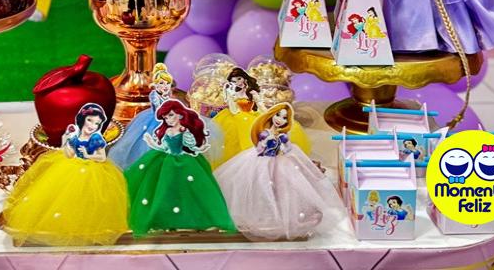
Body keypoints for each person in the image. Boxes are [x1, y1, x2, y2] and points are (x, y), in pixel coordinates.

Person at [0, 103, 129, 246]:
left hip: (93, 170)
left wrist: (87, 155)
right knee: (61, 193)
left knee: (89, 196)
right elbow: (68, 153)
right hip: (71, 167)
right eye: (90, 120)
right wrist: (67, 142)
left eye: (97, 123)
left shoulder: (96, 139)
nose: (92, 125)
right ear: (82, 120)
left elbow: (102, 157)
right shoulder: (75, 136)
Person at [214, 103, 343, 241]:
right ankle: (263, 213)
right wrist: (266, 142)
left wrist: (283, 146)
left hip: (281, 162)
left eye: (284, 118)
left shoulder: (283, 136)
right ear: (271, 116)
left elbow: (288, 149)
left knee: (283, 188)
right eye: (278, 116)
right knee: (260, 185)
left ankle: (281, 216)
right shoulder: (264, 133)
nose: (280, 120)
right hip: (262, 162)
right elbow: (259, 150)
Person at [125, 99, 236, 236]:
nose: (168, 119)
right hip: (166, 161)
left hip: (185, 161)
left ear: (180, 114)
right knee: (164, 189)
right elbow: (164, 147)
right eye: (166, 117)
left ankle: (193, 219)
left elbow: (190, 145)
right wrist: (152, 143)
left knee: (189, 189)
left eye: (171, 115)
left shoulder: (184, 130)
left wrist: (199, 147)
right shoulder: (167, 130)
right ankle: (162, 220)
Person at [109, 64, 225, 169]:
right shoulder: (154, 95)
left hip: (172, 118)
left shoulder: (171, 94)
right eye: (161, 84)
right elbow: (157, 109)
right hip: (158, 118)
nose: (164, 86)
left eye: (166, 84)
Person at [212, 67, 309, 168]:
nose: (238, 82)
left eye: (239, 79)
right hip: (236, 116)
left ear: (244, 78)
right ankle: (242, 163)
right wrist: (228, 94)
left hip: (253, 115)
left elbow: (260, 105)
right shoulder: (232, 93)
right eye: (234, 81)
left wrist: (268, 114)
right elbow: (233, 109)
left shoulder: (252, 92)